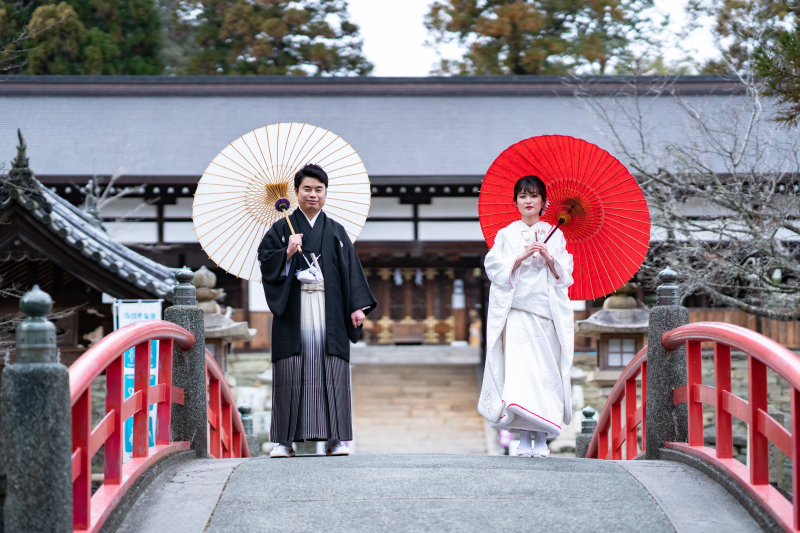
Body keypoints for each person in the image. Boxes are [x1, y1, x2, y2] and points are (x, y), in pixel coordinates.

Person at [257, 164, 377, 458]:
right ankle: (284, 441)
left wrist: (357, 306)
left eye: (319, 189)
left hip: (331, 310)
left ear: (325, 193)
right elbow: (266, 263)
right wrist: (286, 251)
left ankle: (336, 439)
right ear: (295, 193)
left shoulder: (335, 231)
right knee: (291, 370)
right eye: (307, 189)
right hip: (294, 309)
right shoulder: (280, 229)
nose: (313, 195)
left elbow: (351, 272)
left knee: (332, 370)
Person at [478, 175, 575, 457]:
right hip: (518, 314)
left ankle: (542, 437)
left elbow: (565, 276)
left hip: (546, 316)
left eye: (533, 196)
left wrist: (549, 257)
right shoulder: (506, 235)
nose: (528, 201)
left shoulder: (555, 235)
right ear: (516, 201)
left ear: (544, 201)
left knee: (546, 374)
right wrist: (519, 257)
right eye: (522, 196)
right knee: (519, 375)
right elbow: (494, 267)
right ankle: (522, 437)